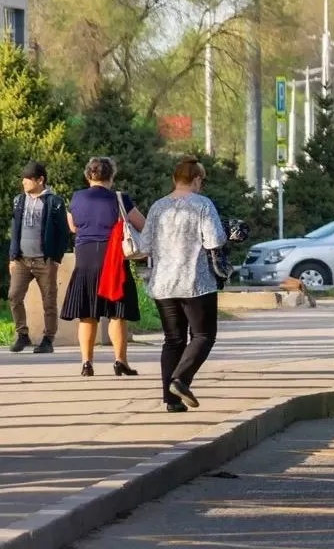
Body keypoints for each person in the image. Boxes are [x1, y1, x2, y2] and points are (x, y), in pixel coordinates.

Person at [141, 156, 227, 412]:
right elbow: (214, 240)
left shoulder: (158, 207)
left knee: (173, 340)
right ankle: (180, 380)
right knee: (203, 335)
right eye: (202, 180)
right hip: (195, 282)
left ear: (175, 179)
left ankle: (171, 401)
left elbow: (145, 245)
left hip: (163, 283)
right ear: (197, 179)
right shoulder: (202, 205)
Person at [60, 157, 146, 377]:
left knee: (87, 313)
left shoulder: (77, 198)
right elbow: (142, 225)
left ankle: (87, 363)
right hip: (113, 258)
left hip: (86, 256)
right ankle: (120, 361)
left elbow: (73, 226)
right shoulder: (120, 198)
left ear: (88, 175)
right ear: (111, 176)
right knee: (117, 313)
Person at [8, 162, 70, 353]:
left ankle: (48, 339)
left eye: (28, 179)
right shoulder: (19, 200)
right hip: (22, 260)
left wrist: (56, 259)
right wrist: (12, 256)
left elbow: (63, 232)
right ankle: (22, 335)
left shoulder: (55, 202)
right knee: (14, 296)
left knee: (49, 302)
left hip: (45, 260)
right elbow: (15, 229)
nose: (24, 182)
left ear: (40, 180)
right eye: (23, 179)